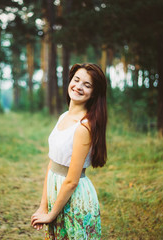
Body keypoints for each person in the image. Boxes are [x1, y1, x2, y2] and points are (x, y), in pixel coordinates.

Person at [31, 63, 107, 239]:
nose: (78, 87)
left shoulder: (83, 126)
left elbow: (72, 180)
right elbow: (53, 164)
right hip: (56, 193)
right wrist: (44, 206)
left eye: (87, 85)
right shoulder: (63, 117)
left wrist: (51, 214)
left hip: (75, 198)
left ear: (94, 93)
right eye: (76, 80)